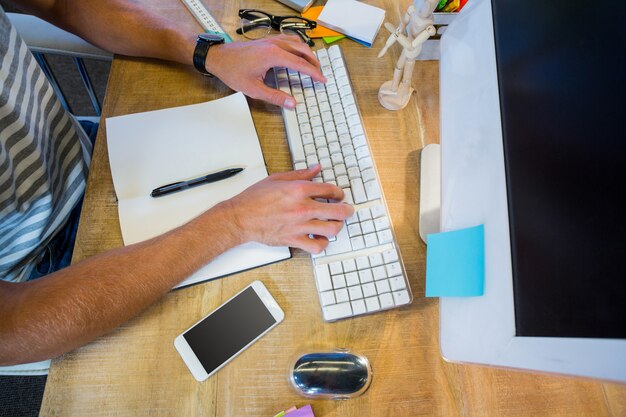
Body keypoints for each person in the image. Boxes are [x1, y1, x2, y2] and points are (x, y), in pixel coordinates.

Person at [0, 0, 353, 366]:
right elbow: (10, 328)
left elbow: (61, 4)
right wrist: (233, 222)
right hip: (41, 275)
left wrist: (209, 54)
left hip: (79, 152)